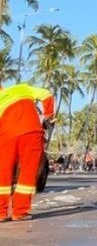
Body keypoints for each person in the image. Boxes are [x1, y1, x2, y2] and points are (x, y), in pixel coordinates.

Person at [0, 83, 55, 222]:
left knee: (3, 175)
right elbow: (47, 95)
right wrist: (48, 115)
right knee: (28, 173)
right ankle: (19, 212)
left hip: (6, 136)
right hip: (31, 132)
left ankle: (1, 213)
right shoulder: (22, 88)